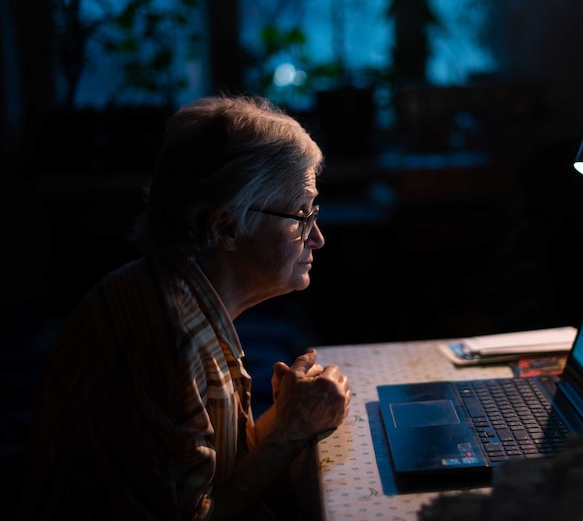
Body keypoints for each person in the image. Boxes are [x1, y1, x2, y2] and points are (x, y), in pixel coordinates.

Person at [16, 95, 351, 520]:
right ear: (225, 226)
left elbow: (216, 470)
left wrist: (290, 416)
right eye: (301, 214)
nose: (317, 237)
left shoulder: (179, 296)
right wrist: (290, 430)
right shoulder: (169, 338)